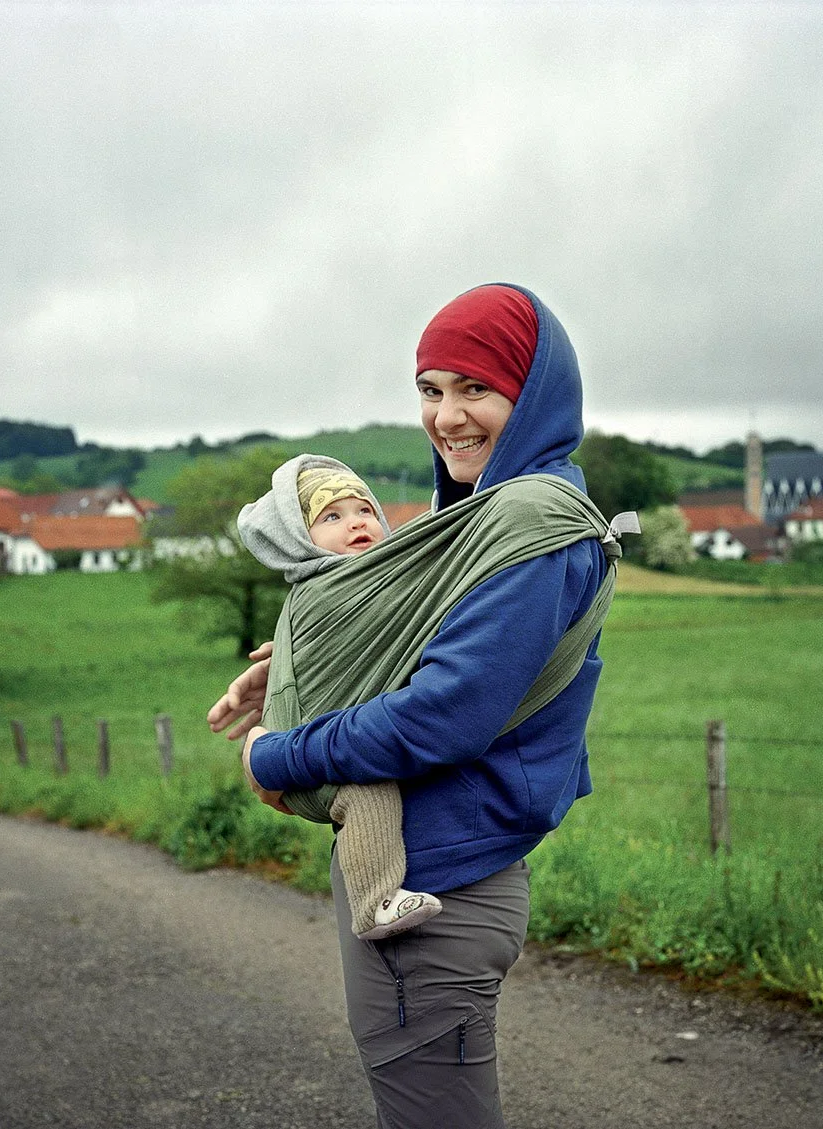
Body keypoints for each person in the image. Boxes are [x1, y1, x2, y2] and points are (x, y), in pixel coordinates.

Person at [209, 283, 619, 1129]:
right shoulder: (471, 518)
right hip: (442, 874)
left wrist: (278, 754)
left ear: (535, 391)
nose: (448, 416)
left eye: (476, 388)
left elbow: (445, 712)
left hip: (437, 894)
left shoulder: (528, 520)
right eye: (431, 390)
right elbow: (406, 638)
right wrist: (289, 668)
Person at [236, 453, 443, 941]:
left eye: (365, 511)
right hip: (310, 763)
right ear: (299, 538)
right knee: (369, 792)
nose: (356, 524)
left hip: (305, 749)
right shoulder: (325, 586)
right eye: (332, 517)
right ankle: (374, 905)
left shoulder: (363, 579)